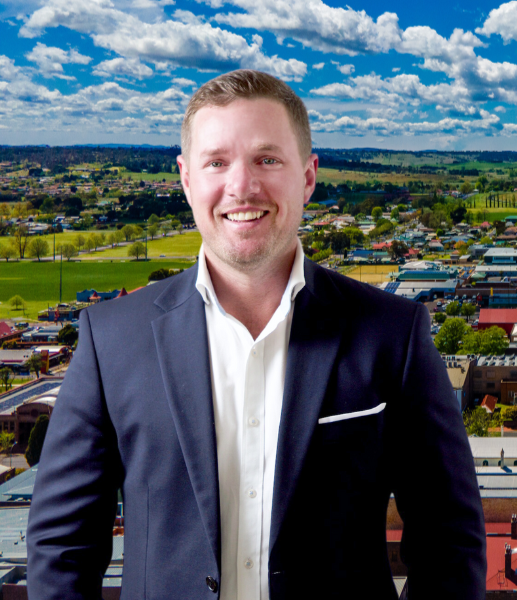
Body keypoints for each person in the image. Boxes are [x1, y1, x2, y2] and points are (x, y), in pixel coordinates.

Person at [26, 70, 485, 600]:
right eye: (217, 162)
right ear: (186, 178)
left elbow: (451, 541)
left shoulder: (394, 335)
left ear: (308, 177)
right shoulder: (110, 341)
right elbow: (62, 549)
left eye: (267, 159)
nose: (241, 186)